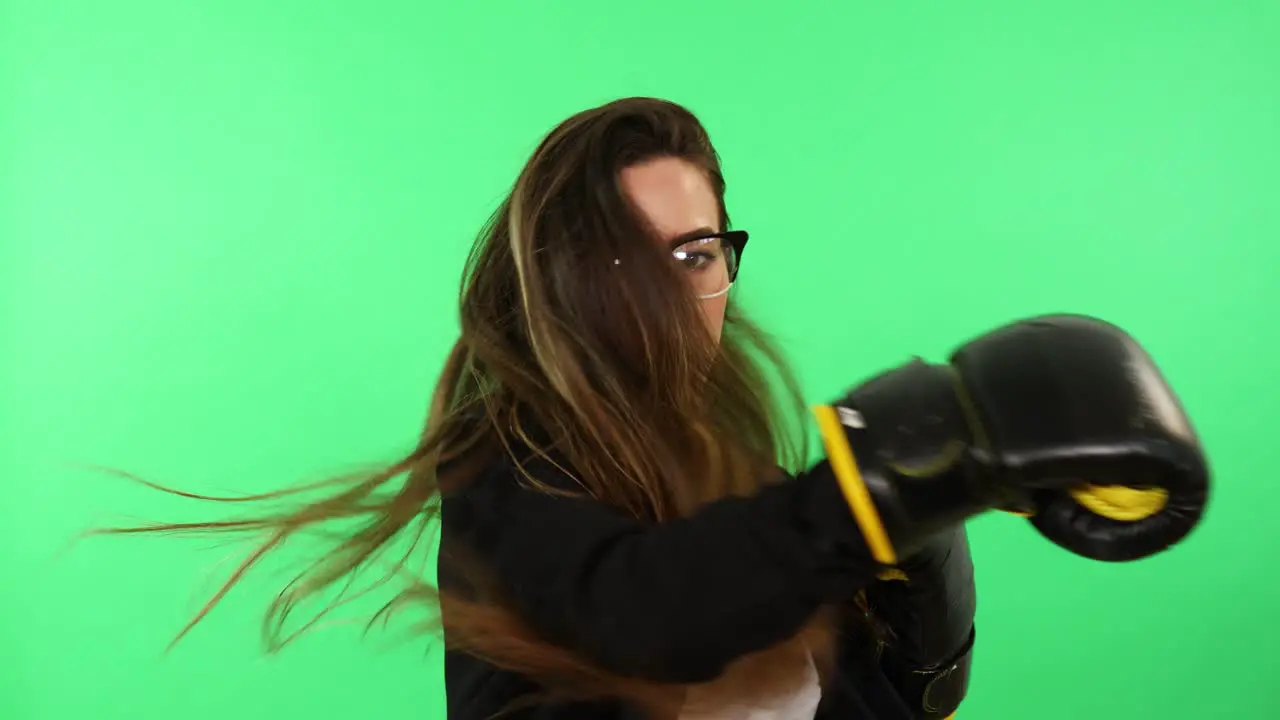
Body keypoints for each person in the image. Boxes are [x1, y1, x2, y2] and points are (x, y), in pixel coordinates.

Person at [109, 97, 1208, 720]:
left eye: (694, 253)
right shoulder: (508, 465)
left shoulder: (743, 483)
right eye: (626, 257)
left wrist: (923, 554)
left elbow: (888, 704)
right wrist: (875, 491)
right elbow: (650, 618)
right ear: (564, 274)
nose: (672, 291)